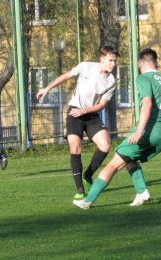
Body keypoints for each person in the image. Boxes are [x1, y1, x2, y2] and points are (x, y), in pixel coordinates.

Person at [73, 48, 161, 209]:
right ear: (156, 62)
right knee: (129, 159)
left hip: (149, 131)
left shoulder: (143, 78)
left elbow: (147, 104)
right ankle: (142, 192)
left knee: (113, 163)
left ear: (140, 63)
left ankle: (87, 201)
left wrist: (139, 131)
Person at [37, 46, 120, 199]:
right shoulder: (86, 67)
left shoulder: (111, 81)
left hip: (91, 114)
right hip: (74, 113)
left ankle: (88, 175)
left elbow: (102, 105)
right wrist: (47, 88)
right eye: (110, 60)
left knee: (106, 144)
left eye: (114, 61)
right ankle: (80, 189)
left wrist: (85, 111)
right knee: (75, 147)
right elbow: (66, 76)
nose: (113, 64)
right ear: (102, 59)